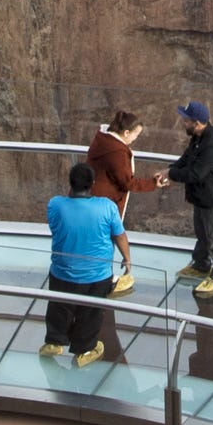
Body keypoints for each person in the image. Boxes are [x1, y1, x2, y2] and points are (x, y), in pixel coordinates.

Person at [41, 163, 123, 367]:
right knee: (91, 312)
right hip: (97, 275)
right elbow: (119, 235)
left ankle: (54, 341)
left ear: (70, 183)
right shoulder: (107, 206)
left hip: (62, 271)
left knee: (60, 306)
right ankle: (84, 350)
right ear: (92, 184)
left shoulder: (56, 204)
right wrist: (127, 260)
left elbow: (55, 227)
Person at [162, 100, 213, 295]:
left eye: (186, 120)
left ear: (197, 122)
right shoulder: (198, 136)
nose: (183, 123)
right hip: (202, 197)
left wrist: (171, 175)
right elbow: (187, 158)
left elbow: (196, 174)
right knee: (202, 234)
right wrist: (170, 170)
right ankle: (201, 265)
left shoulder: (212, 143)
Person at [83, 110, 158, 290]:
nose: (135, 139)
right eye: (135, 135)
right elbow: (127, 182)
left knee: (90, 239)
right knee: (104, 239)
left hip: (90, 199)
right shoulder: (117, 152)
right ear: (126, 133)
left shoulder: (102, 141)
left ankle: (91, 275)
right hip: (104, 202)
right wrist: (154, 183)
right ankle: (102, 279)